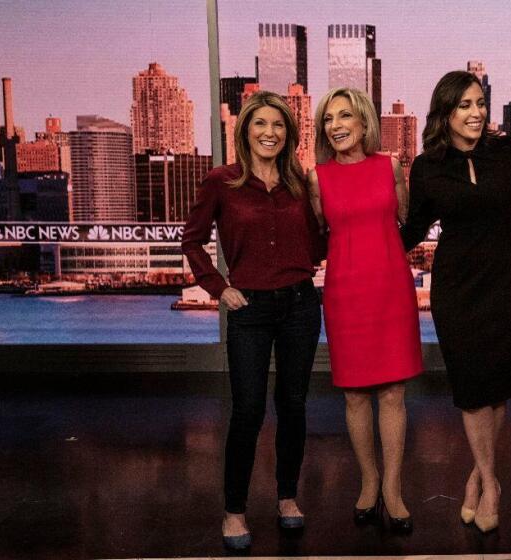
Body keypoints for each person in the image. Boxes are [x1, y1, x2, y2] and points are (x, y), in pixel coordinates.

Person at [182, 91, 323, 549]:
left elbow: (319, 241)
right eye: (260, 124)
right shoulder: (221, 182)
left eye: (278, 125)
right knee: (247, 411)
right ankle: (235, 509)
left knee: (294, 405)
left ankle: (287, 498)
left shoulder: (301, 182)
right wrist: (220, 288)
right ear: (244, 132)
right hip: (251, 311)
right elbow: (193, 240)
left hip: (301, 305)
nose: (270, 133)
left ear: (289, 133)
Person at [400, 70, 511, 533]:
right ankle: (492, 482)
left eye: (480, 103)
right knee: (473, 390)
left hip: (507, 281)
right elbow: (413, 229)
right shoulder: (427, 165)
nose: (476, 113)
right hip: (458, 288)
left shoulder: (507, 152)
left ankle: (480, 476)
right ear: (446, 112)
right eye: (465, 105)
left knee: (495, 388)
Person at [308, 87, 423, 533]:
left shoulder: (390, 166)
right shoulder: (316, 178)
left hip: (391, 287)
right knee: (355, 395)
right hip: (345, 292)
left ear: (363, 123)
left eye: (344, 116)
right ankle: (369, 482)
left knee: (393, 393)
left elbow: (407, 220)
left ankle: (393, 490)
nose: (335, 125)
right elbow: (319, 232)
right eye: (328, 119)